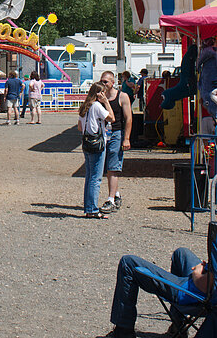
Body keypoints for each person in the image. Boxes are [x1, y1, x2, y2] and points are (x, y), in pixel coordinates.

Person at [108, 245, 215, 338]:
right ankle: (178, 324)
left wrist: (198, 271)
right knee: (181, 253)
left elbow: (204, 285)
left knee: (128, 263)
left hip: (195, 295)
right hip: (206, 285)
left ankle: (123, 332)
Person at [77, 81, 114, 218]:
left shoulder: (84, 106)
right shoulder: (97, 106)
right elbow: (111, 118)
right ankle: (92, 209)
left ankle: (88, 206)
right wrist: (107, 103)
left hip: (86, 142)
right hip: (97, 142)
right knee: (96, 178)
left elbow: (80, 127)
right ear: (99, 93)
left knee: (89, 176)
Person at [99, 70, 133, 214]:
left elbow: (129, 118)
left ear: (113, 83)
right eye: (101, 81)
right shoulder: (98, 97)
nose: (103, 84)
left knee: (113, 167)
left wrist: (126, 138)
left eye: (106, 81)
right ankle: (116, 194)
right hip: (102, 134)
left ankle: (111, 199)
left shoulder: (122, 96)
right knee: (105, 166)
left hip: (116, 133)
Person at [197, 36, 217, 120]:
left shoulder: (208, 51)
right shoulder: (211, 52)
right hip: (210, 82)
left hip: (208, 83)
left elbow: (199, 63)